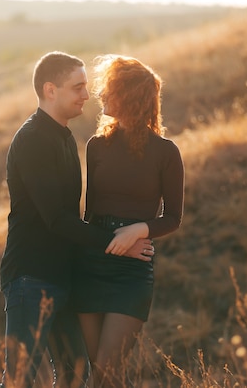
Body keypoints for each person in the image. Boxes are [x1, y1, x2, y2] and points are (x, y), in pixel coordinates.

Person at [0, 51, 155, 388]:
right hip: (31, 277)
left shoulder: (64, 136)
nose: (87, 95)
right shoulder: (33, 140)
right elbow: (57, 219)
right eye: (78, 87)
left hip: (65, 278)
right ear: (50, 90)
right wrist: (118, 245)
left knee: (75, 373)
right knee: (20, 378)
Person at [72, 54, 185, 388]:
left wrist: (140, 229)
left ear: (130, 96)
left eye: (109, 89)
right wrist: (100, 245)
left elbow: (174, 217)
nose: (101, 95)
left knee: (106, 370)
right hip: (92, 262)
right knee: (100, 373)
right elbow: (90, 215)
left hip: (131, 272)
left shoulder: (166, 152)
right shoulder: (96, 146)